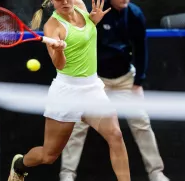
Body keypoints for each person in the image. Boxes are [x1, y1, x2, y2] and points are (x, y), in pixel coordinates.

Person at [7, 0, 131, 181]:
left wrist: (93, 21)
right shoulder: (52, 26)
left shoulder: (80, 5)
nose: (65, 2)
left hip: (93, 89)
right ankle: (19, 165)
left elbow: (84, 36)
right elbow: (60, 65)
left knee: (116, 135)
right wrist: (59, 51)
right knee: (48, 156)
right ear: (52, 2)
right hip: (66, 93)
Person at [59, 0, 170, 181]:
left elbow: (141, 48)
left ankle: (156, 172)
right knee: (77, 123)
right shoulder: (93, 10)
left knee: (141, 122)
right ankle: (67, 175)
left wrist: (138, 83)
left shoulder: (134, 14)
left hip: (125, 79)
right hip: (94, 80)